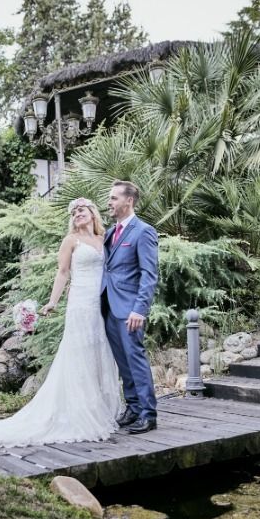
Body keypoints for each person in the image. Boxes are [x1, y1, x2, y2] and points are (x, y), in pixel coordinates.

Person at [0, 197, 121, 449]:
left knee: (99, 352)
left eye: (82, 210)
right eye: (74, 212)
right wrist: (52, 302)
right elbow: (62, 273)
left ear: (93, 213)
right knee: (79, 354)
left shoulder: (105, 239)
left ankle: (101, 408)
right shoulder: (71, 241)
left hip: (102, 304)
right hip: (80, 304)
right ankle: (81, 412)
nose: (77, 214)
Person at [102, 180, 159, 434]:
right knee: (123, 363)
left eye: (114, 198)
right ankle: (133, 407)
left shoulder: (143, 231)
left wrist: (139, 309)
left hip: (130, 310)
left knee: (135, 360)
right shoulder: (109, 232)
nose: (109, 203)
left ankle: (148, 414)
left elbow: (149, 274)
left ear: (129, 201)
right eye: (110, 198)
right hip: (109, 308)